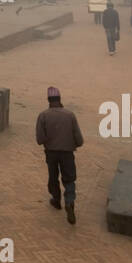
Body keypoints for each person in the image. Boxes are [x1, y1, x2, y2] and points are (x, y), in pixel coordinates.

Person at [35, 86, 84, 224]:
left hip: (51, 153)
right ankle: (69, 202)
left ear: (48, 100)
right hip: (67, 153)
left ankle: (56, 200)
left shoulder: (43, 116)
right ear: (60, 99)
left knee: (53, 177)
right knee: (69, 179)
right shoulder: (70, 115)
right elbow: (79, 139)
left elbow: (39, 139)